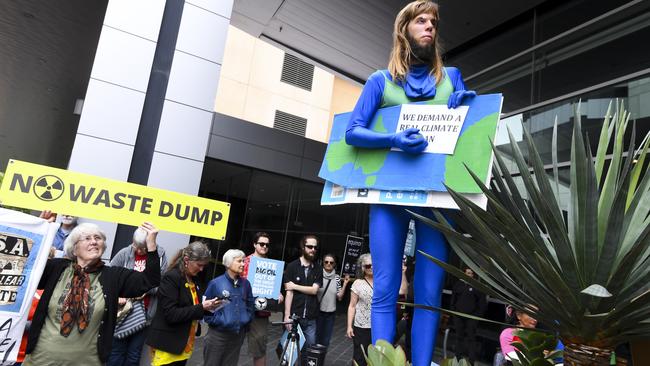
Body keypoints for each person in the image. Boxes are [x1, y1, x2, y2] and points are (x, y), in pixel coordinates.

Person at [344, 1, 475, 364]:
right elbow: (353, 132)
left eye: (433, 21)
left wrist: (468, 109)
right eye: (421, 21)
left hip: (436, 197)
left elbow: (467, 135)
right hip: (389, 197)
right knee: (385, 288)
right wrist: (394, 139)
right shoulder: (379, 81)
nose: (430, 26)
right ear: (404, 30)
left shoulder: (452, 78)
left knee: (430, 294)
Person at [23, 222, 161, 366]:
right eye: (87, 238)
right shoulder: (57, 268)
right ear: (74, 248)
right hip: (40, 360)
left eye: (98, 238)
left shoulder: (113, 276)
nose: (94, 241)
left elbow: (149, 281)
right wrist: (37, 228)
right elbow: (25, 267)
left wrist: (151, 245)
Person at [146, 241, 221, 366]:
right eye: (199, 265)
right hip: (167, 346)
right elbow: (171, 314)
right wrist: (201, 307)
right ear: (186, 259)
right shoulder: (172, 277)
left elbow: (191, 308)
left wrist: (210, 307)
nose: (201, 269)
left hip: (183, 345)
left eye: (204, 266)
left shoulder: (193, 279)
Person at [108, 223, 168, 366]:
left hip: (144, 315)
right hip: (122, 313)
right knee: (116, 352)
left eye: (144, 248)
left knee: (134, 355)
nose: (140, 251)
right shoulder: (124, 253)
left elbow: (161, 285)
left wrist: (141, 290)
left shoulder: (160, 254)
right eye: (136, 246)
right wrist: (118, 295)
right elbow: (109, 278)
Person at [203, 249, 255, 366]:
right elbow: (206, 310)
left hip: (237, 335)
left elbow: (250, 305)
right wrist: (220, 322)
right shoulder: (215, 283)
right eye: (239, 261)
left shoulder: (246, 284)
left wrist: (245, 320)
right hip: (218, 335)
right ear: (228, 263)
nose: (243, 264)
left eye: (244, 261)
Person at [241, 232, 284, 366]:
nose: (264, 246)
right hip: (242, 309)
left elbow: (272, 288)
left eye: (267, 244)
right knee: (232, 345)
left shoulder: (272, 266)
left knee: (259, 349)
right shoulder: (244, 262)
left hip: (260, 312)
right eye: (261, 244)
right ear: (254, 244)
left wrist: (278, 293)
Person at [283, 235, 323, 347]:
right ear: (303, 247)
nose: (313, 250)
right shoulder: (291, 266)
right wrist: (287, 316)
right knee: (290, 350)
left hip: (310, 318)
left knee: (309, 350)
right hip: (294, 317)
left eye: (315, 247)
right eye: (310, 247)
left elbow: (314, 290)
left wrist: (295, 286)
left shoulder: (318, 268)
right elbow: (289, 292)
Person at [499, 307, 563, 364]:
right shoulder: (508, 333)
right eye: (531, 314)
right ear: (519, 315)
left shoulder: (541, 335)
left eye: (536, 315)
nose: (535, 319)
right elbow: (513, 359)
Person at [451, 267, 486, 363]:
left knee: (471, 338)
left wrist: (476, 316)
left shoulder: (478, 286)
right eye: (467, 273)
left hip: (472, 318)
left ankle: (471, 362)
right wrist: (454, 312)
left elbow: (482, 304)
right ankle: (457, 360)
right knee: (459, 337)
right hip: (458, 316)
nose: (469, 275)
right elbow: (453, 300)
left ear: (473, 275)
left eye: (471, 273)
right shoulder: (458, 285)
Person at [316, 254, 350, 347]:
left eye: (331, 262)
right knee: (315, 338)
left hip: (330, 314)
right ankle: (313, 359)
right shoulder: (317, 274)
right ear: (323, 263)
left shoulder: (337, 278)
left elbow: (339, 297)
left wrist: (345, 284)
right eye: (326, 262)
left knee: (326, 340)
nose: (328, 264)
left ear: (334, 264)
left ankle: (321, 359)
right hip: (317, 312)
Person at [346, 254, 373, 366]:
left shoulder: (382, 282)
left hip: (378, 325)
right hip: (362, 326)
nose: (371, 267)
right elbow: (352, 306)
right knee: (360, 357)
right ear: (362, 268)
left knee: (374, 358)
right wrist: (349, 326)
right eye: (368, 266)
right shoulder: (358, 283)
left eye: (373, 264)